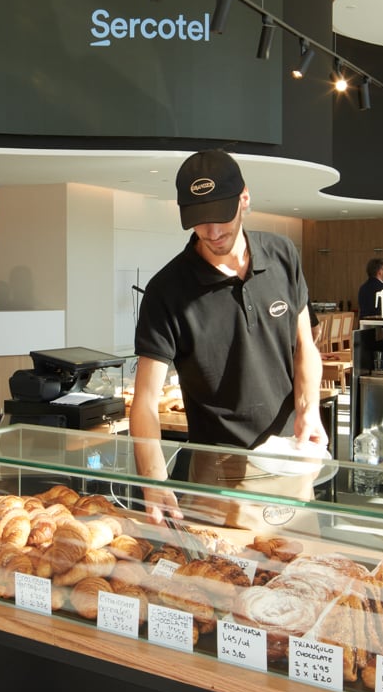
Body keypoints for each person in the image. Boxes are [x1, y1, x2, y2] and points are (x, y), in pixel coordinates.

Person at [129, 150, 327, 524]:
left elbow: (305, 345)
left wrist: (309, 409)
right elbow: (145, 402)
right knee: (225, 580)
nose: (213, 232)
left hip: (290, 458)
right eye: (200, 222)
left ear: (245, 199)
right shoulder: (167, 290)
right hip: (221, 472)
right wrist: (154, 481)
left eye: (221, 217)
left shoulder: (283, 254)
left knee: (304, 576)